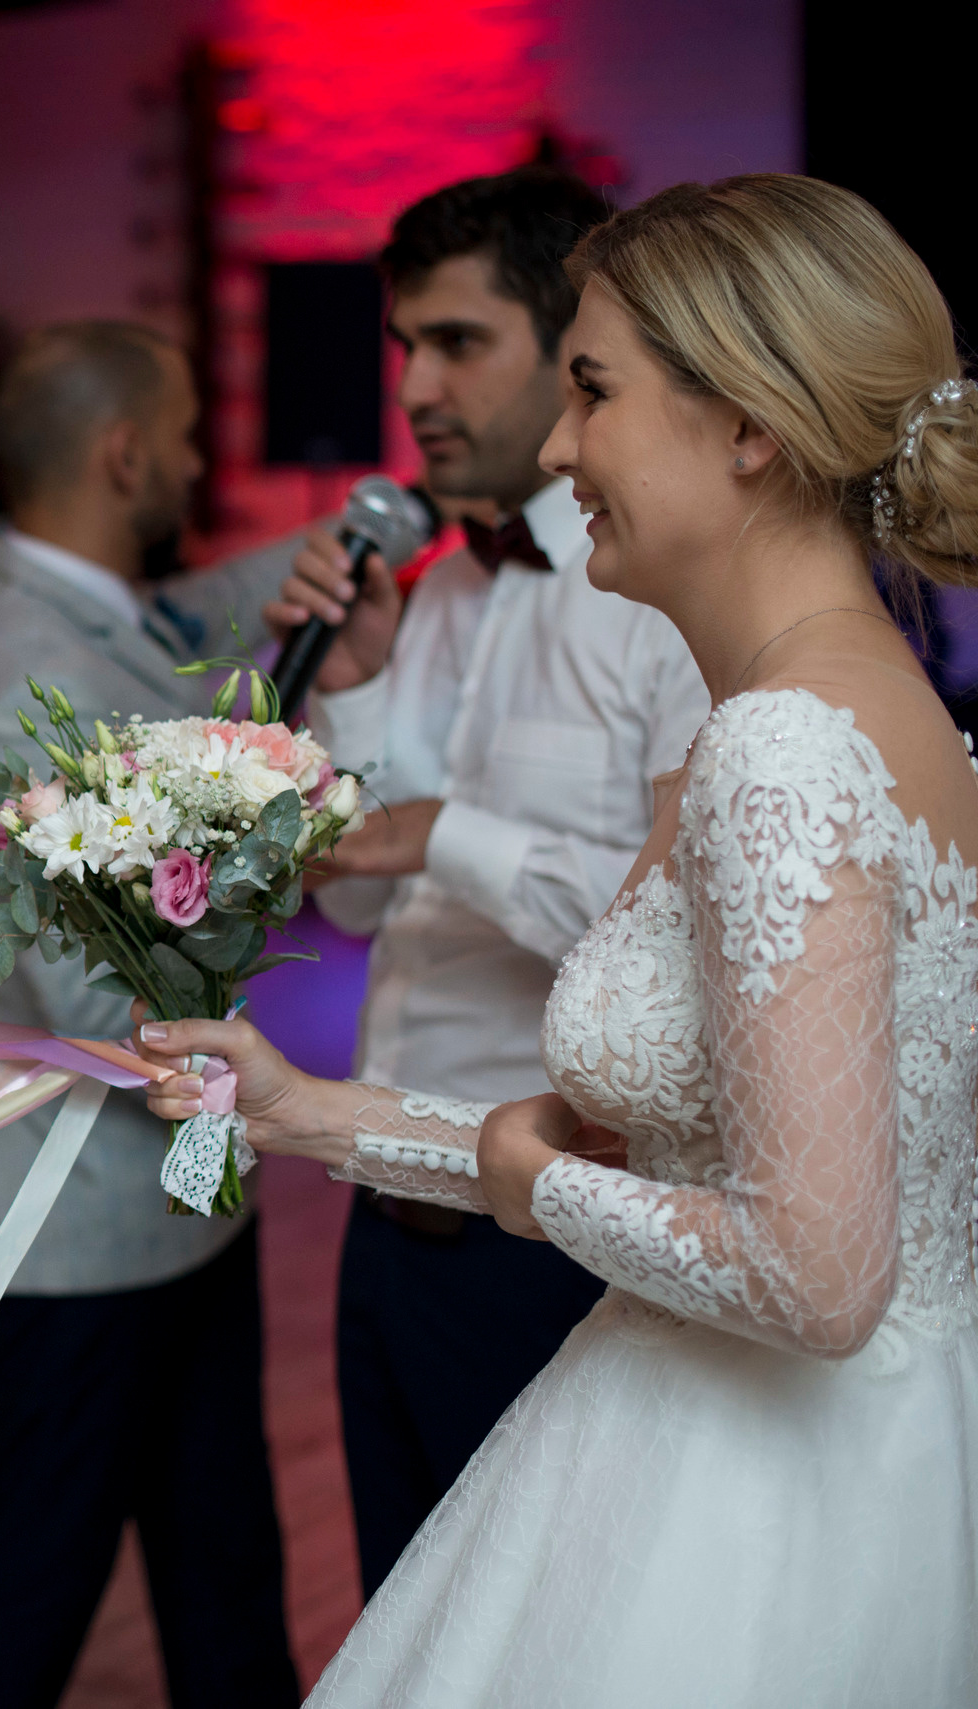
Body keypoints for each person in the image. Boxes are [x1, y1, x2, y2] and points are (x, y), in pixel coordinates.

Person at [136, 172, 978, 1706]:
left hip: (754, 1496)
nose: (565, 443)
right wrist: (297, 1106)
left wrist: (533, 1182)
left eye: (591, 391)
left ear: (750, 426)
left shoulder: (784, 744)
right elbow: (707, 1161)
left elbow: (819, 1268)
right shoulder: (831, 706)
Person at [269, 168, 712, 1595]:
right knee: (406, 1622)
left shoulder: (668, 603)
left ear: (569, 345)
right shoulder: (438, 595)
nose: (416, 384)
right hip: (383, 1201)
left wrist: (435, 827)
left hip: (561, 1228)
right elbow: (348, 901)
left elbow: (699, 939)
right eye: (405, 347)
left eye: (459, 342)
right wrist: (352, 694)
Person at [0, 321, 300, 1709]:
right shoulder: (43, 674)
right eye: (191, 436)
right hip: (78, 1212)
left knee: (221, 1562)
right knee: (36, 1581)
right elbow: (105, 1000)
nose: (200, 462)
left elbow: (195, 617)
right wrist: (270, 843)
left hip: (172, 1196)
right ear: (125, 453)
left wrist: (347, 546)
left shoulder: (60, 598)